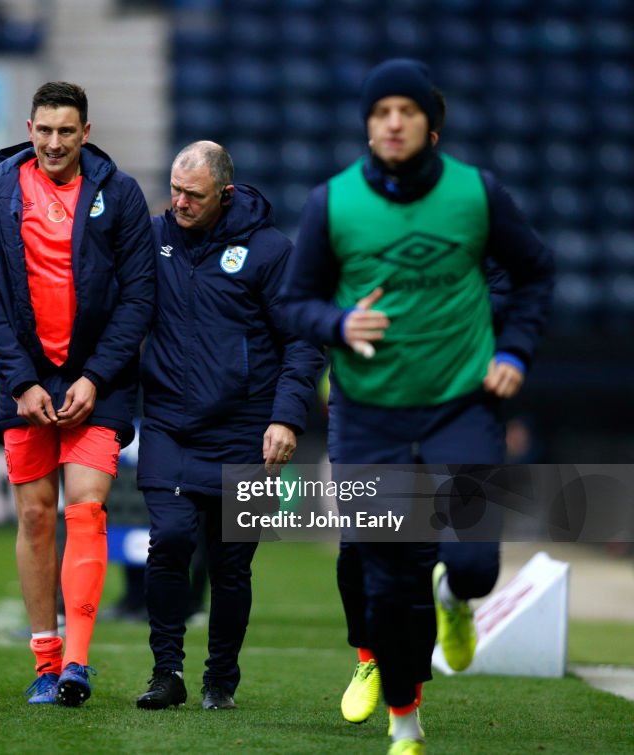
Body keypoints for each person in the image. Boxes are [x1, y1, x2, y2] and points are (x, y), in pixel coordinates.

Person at [286, 59, 554, 754]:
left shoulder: (476, 194)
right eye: (380, 113)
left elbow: (534, 273)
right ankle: (405, 723)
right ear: (367, 127)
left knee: (472, 566)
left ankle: (456, 600)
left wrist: (514, 352)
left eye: (406, 111)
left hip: (460, 404)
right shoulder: (332, 202)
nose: (393, 123)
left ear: (431, 126)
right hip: (370, 412)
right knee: (384, 580)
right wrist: (340, 324)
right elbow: (293, 302)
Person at [0, 82, 155, 707]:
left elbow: (138, 296)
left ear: (86, 132)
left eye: (66, 131)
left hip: (96, 381)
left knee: (88, 510)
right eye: (44, 131)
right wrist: (18, 379)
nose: (53, 143)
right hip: (24, 382)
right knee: (35, 516)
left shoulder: (120, 193)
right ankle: (45, 662)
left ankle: (75, 663)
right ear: (29, 128)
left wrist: (95, 376)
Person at [135, 141, 324, 711]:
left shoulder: (271, 253)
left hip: (245, 428)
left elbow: (303, 340)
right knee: (168, 543)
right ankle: (166, 671)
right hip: (168, 422)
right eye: (174, 190)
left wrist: (287, 417)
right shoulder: (153, 237)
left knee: (231, 564)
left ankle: (221, 678)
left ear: (225, 192)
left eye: (192, 194)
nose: (179, 203)